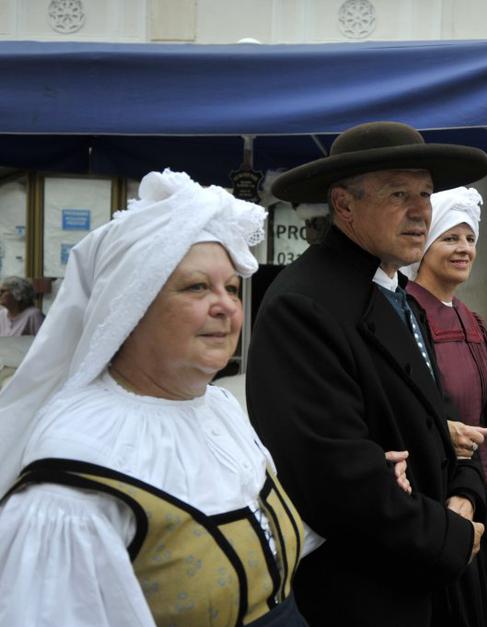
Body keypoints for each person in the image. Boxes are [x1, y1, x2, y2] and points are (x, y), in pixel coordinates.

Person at [0, 170, 318, 626]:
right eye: (196, 287)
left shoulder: (218, 409)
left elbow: (259, 546)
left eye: (231, 288)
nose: (226, 305)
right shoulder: (73, 481)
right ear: (128, 307)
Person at [246, 121, 487, 626]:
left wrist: (466, 493)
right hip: (372, 592)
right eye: (398, 193)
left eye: (426, 193)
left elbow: (442, 416)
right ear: (343, 206)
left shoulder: (395, 291)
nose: (421, 210)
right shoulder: (304, 305)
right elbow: (336, 483)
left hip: (430, 563)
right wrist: (451, 533)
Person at [404, 186, 487, 626]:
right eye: (450, 238)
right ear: (425, 246)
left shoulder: (472, 321)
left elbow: (482, 432)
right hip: (428, 503)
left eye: (469, 239)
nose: (464, 248)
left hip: (474, 502)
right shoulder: (403, 315)